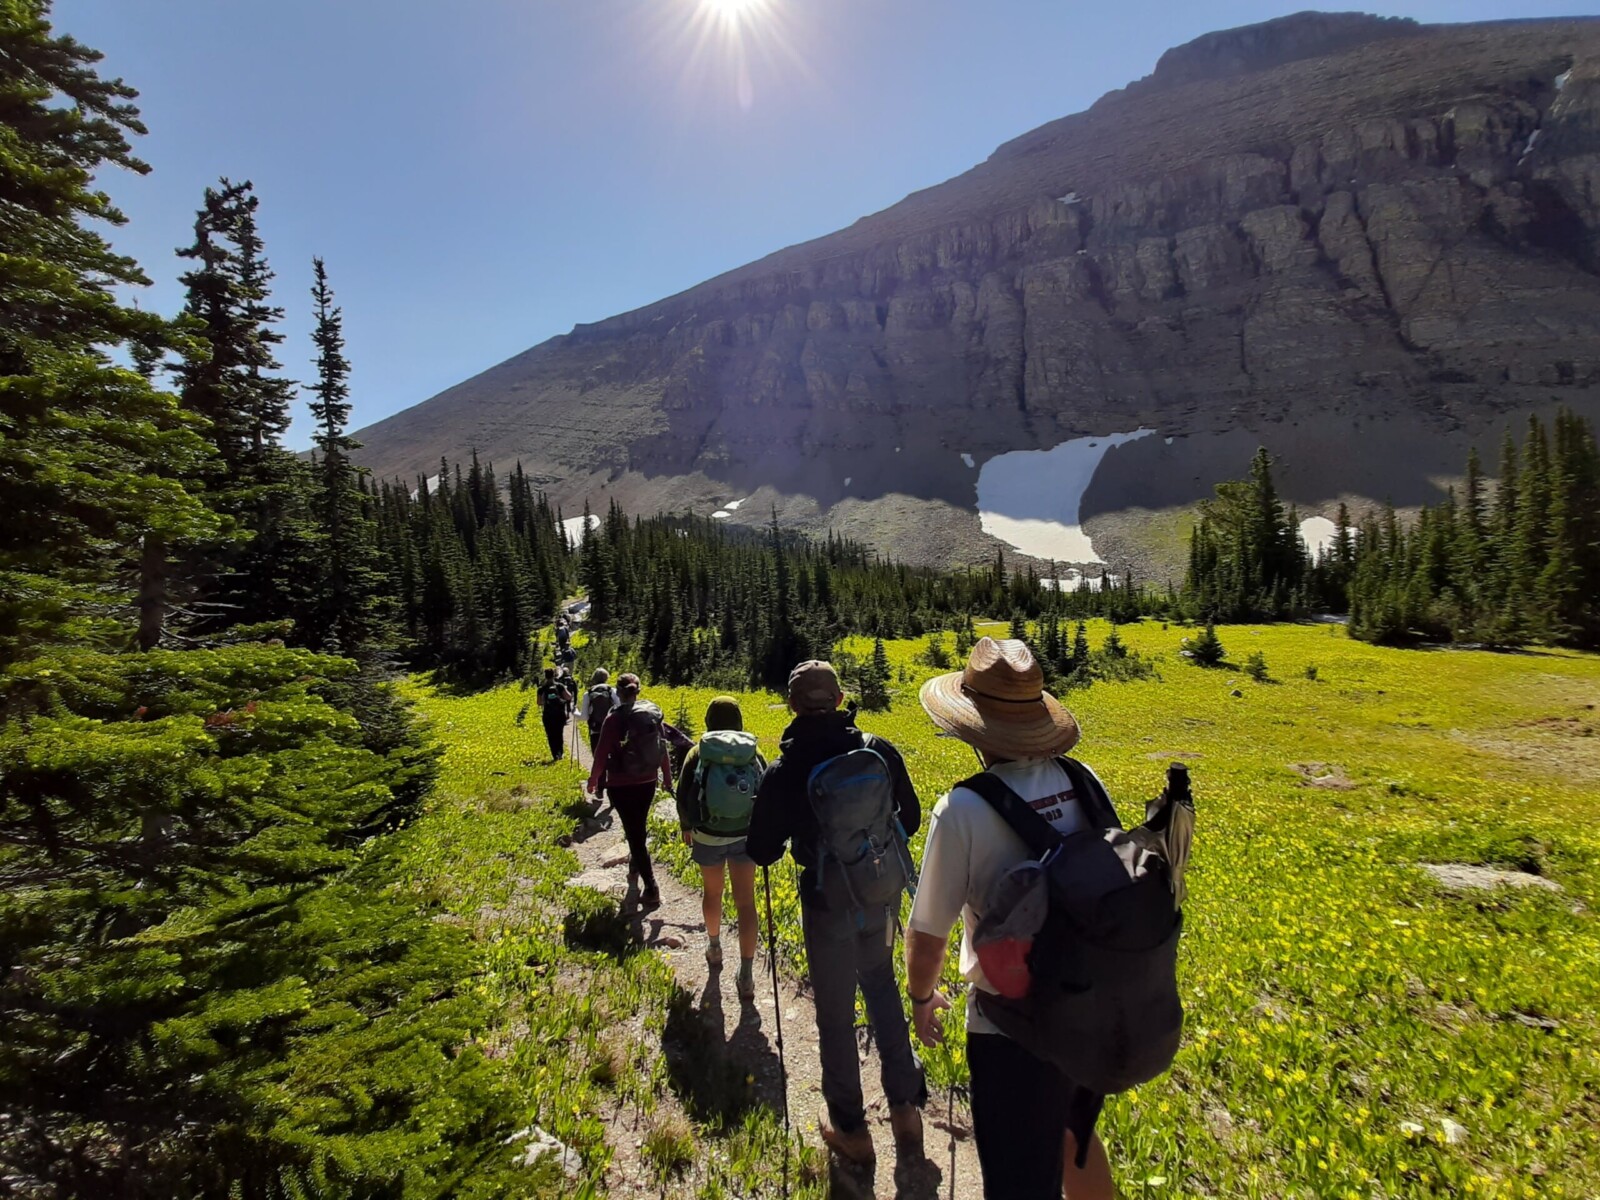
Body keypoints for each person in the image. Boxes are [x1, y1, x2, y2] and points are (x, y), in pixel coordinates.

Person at [904, 637, 1114, 1200]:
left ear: (974, 728)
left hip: (1010, 1027)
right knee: (1078, 1136)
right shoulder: (1084, 778)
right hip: (1090, 1006)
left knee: (1019, 1179)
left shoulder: (964, 810)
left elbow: (928, 935)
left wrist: (922, 998)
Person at [746, 660, 926, 1167]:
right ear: (841, 699)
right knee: (882, 986)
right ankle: (906, 1108)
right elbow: (908, 817)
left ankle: (851, 1129)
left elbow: (762, 850)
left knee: (835, 1012)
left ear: (794, 705)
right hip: (880, 890)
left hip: (828, 902)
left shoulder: (787, 768)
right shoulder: (876, 749)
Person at [674, 696, 765, 1000]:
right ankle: (748, 973)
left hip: (708, 834)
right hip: (745, 835)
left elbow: (682, 793)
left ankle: (714, 947)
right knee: (746, 902)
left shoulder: (698, 751)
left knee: (713, 893)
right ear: (739, 720)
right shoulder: (753, 751)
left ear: (709, 720)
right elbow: (764, 789)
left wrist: (687, 826)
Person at [587, 673, 671, 908]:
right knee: (639, 827)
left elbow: (601, 753)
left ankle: (652, 887)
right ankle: (636, 866)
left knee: (633, 834)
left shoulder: (613, 719)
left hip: (620, 783)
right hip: (647, 781)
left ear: (618, 692)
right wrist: (667, 777)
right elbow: (662, 746)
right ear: (638, 691)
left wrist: (594, 780)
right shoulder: (650, 714)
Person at [535, 667, 572, 761]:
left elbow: (539, 702)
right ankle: (560, 753)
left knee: (551, 735)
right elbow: (568, 697)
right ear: (554, 675)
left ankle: (555, 754)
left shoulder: (541, 689)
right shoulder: (559, 686)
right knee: (559, 733)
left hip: (548, 715)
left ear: (545, 676)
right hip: (559, 714)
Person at [579, 667, 616, 752]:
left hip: (595, 729)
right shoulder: (612, 691)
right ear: (606, 678)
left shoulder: (588, 694)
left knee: (597, 757)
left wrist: (574, 713)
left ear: (594, 678)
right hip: (611, 729)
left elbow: (584, 717)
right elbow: (620, 708)